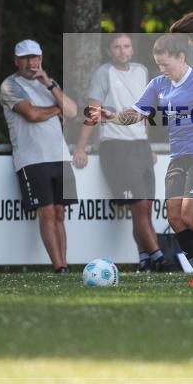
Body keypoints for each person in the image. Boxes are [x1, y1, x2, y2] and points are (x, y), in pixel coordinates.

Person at [87, 11, 193, 287]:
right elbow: (137, 113)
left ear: (181, 58)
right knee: (175, 217)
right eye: (158, 65)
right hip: (179, 158)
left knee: (192, 217)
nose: (162, 70)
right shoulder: (158, 84)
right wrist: (111, 116)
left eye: (165, 65)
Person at [72, 33, 163, 272]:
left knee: (145, 208)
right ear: (110, 51)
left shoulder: (142, 71)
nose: (122, 51)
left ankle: (145, 260)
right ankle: (160, 258)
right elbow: (93, 112)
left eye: (126, 46)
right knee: (139, 206)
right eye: (117, 47)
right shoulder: (103, 74)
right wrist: (80, 147)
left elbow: (142, 112)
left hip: (140, 147)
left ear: (132, 50)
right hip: (116, 147)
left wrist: (148, 143)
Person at [0, 39, 79, 273]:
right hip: (32, 159)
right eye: (25, 58)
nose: (30, 63)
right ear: (16, 61)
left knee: (59, 212)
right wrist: (57, 110)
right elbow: (32, 114)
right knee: (46, 212)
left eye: (34, 57)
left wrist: (50, 85)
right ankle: (58, 266)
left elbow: (72, 111)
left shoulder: (49, 84)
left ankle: (65, 264)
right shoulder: (10, 85)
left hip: (60, 157)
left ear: (41, 59)